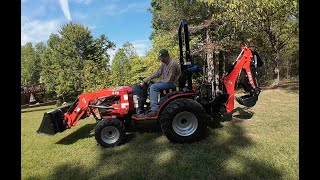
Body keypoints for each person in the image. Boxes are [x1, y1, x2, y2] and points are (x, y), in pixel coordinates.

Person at [143, 49, 181, 117]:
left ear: (167, 56)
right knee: (151, 84)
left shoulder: (173, 64)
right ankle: (151, 105)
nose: (161, 60)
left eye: (162, 58)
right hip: (166, 82)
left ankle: (155, 109)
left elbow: (170, 80)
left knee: (154, 87)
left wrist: (159, 82)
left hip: (173, 84)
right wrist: (149, 78)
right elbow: (158, 73)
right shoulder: (164, 63)